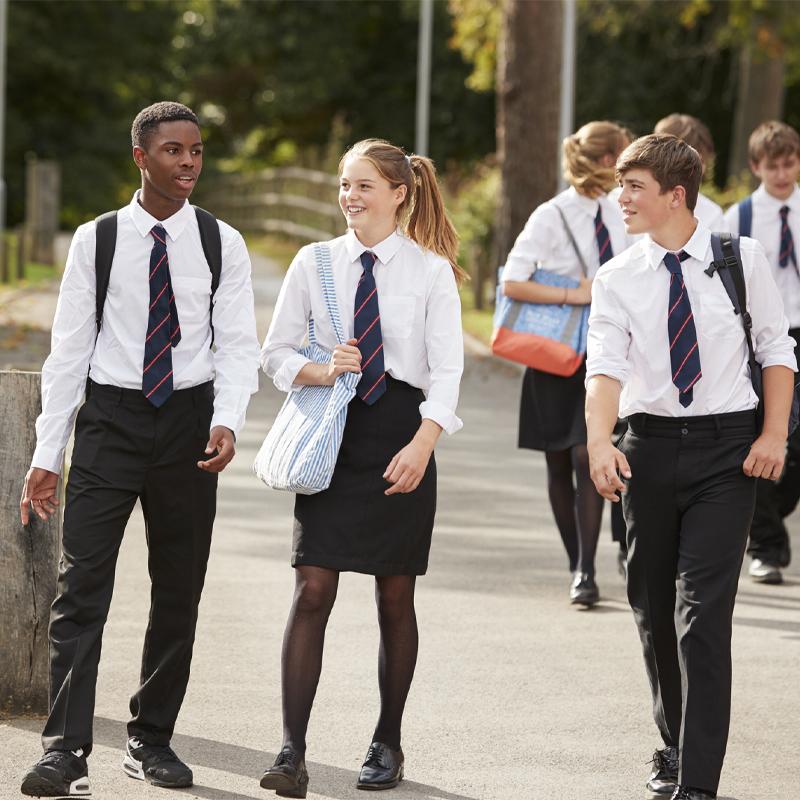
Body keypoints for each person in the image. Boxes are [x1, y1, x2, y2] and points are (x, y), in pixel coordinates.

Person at [18, 101, 260, 797]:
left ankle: (151, 738)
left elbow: (237, 345)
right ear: (141, 157)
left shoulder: (222, 243)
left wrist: (228, 420)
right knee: (81, 588)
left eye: (197, 150)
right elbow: (68, 352)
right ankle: (65, 750)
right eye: (174, 151)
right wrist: (48, 452)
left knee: (178, 589)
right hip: (111, 420)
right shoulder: (97, 241)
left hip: (188, 425)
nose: (188, 162)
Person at [586, 133, 795, 800]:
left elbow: (776, 350)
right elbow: (605, 371)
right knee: (652, 608)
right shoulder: (618, 277)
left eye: (633, 186)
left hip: (725, 454)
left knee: (702, 617)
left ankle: (698, 784)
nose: (621, 198)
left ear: (674, 196)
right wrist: (598, 442)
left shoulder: (742, 258)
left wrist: (773, 436)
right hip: (644, 451)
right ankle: (674, 742)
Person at [259, 139, 464, 796]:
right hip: (334, 434)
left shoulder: (431, 271)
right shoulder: (314, 262)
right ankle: (291, 751)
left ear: (400, 193)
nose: (349, 198)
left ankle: (388, 741)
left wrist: (424, 443)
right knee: (312, 587)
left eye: (363, 187)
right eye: (344, 186)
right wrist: (322, 368)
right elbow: (277, 353)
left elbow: (448, 371)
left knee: (394, 595)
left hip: (403, 436)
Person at [501, 120, 630, 606]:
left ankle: (586, 568)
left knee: (586, 453)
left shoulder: (626, 210)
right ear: (605, 161)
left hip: (608, 350)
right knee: (559, 460)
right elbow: (512, 283)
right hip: (556, 353)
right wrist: (575, 293)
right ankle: (578, 559)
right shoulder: (551, 215)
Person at [723, 120, 800, 585]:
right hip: (764, 340)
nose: (782, 173)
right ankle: (766, 546)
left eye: (789, 162)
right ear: (756, 167)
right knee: (767, 435)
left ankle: (769, 516)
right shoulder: (740, 218)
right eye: (772, 166)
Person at [654, 114, 725, 231]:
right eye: (688, 161)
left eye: (701, 161)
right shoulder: (627, 201)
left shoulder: (712, 214)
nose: (699, 168)